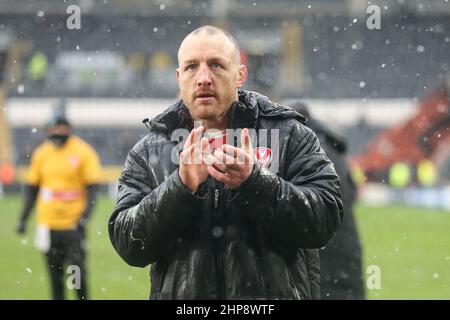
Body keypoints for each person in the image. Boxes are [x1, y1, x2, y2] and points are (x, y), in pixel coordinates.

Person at [109, 25, 343, 300]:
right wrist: (180, 187)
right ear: (179, 77)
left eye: (217, 65)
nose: (203, 78)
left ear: (240, 74)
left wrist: (255, 182)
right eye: (192, 67)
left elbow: (325, 219)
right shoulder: (150, 150)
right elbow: (128, 244)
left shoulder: (289, 135)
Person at [16, 106, 102, 300]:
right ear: (48, 130)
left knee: (76, 273)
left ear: (69, 129)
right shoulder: (41, 154)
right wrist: (23, 218)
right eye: (54, 128)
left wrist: (84, 218)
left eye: (62, 128)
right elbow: (32, 189)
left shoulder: (82, 151)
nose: (58, 132)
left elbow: (93, 188)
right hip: (48, 224)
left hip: (73, 225)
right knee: (54, 275)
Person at [291, 102, 365, 300]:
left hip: (322, 254)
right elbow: (353, 192)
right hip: (348, 251)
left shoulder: (302, 149)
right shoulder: (336, 149)